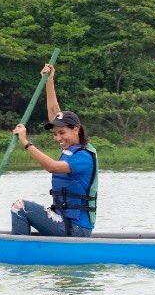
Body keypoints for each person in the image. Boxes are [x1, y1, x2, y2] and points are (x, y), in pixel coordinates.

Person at [10, 64, 98, 237]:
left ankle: (19, 255)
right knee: (21, 208)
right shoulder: (71, 148)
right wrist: (49, 81)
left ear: (76, 129)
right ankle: (23, 247)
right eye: (55, 134)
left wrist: (26, 143)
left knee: (20, 207)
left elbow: (53, 167)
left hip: (76, 230)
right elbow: (54, 113)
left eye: (62, 133)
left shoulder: (84, 157)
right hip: (64, 222)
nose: (58, 138)